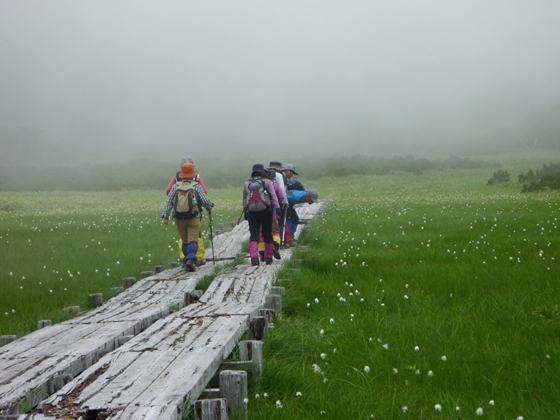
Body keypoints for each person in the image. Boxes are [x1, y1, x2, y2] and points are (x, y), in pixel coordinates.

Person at [162, 162, 214, 272]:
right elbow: (205, 202)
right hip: (194, 217)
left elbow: (168, 201)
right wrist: (210, 206)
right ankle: (191, 259)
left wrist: (165, 216)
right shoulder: (196, 186)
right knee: (193, 240)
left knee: (185, 240)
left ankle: (186, 262)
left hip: (179, 218)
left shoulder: (176, 186)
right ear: (192, 174)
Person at [243, 164, 280, 266]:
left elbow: (245, 199)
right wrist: (277, 209)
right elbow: (273, 196)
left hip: (252, 213)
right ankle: (268, 257)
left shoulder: (247, 183)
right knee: (267, 234)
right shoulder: (267, 182)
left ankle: (254, 258)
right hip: (266, 212)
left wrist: (246, 212)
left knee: (254, 235)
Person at [283, 163, 305, 238]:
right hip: (283, 203)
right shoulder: (281, 178)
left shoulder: (284, 179)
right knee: (289, 218)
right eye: (291, 172)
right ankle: (288, 238)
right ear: (287, 170)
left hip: (287, 203)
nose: (292, 175)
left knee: (295, 218)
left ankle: (291, 237)